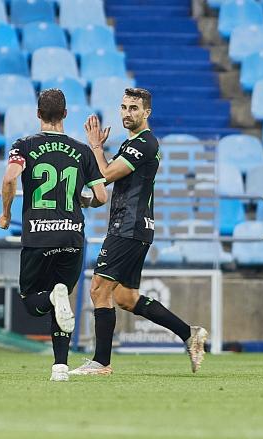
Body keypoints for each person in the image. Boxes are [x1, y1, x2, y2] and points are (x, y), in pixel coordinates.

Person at [69, 87, 208, 376]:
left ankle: (101, 362)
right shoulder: (132, 143)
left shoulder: (144, 143)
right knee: (125, 298)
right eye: (123, 107)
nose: (127, 113)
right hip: (135, 227)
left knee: (98, 289)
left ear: (147, 112)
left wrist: (95, 146)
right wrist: (86, 199)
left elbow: (105, 175)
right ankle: (189, 333)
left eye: (134, 108)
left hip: (128, 227)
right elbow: (107, 186)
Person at [0, 88, 108, 382]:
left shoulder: (24, 145)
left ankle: (52, 300)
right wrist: (80, 200)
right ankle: (60, 366)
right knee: (63, 302)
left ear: (38, 114)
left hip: (38, 235)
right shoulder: (82, 151)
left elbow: (10, 177)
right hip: (72, 236)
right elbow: (100, 196)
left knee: (33, 301)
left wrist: (6, 213)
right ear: (65, 115)